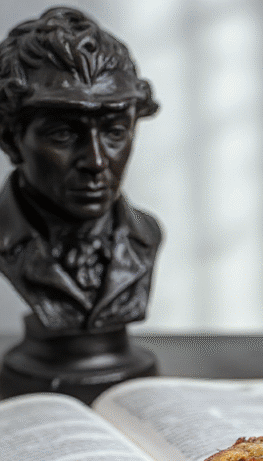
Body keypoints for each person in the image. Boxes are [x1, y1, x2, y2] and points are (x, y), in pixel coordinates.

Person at [0, 6, 161, 334]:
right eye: (63, 134)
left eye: (115, 132)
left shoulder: (147, 235)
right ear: (11, 140)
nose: (97, 162)